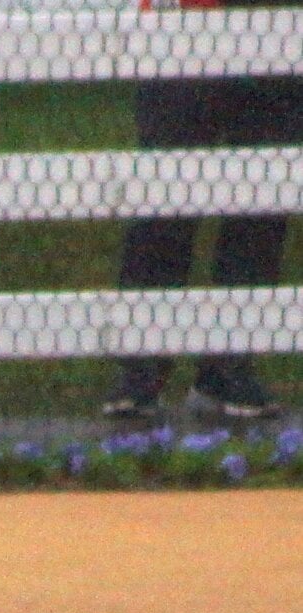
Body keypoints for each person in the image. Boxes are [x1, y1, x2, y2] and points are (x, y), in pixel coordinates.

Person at [105, 40, 303, 422]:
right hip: (181, 26)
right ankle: (141, 370)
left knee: (261, 198)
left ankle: (228, 367)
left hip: (272, 33)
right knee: (164, 196)